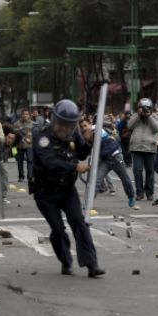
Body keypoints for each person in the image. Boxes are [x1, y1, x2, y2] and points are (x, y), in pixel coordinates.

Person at [31, 99, 105, 278]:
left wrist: (89, 140)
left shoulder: (73, 134)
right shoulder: (43, 138)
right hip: (45, 192)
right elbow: (50, 163)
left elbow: (81, 153)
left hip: (66, 189)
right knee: (58, 228)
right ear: (55, 120)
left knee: (79, 222)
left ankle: (91, 264)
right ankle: (66, 260)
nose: (65, 129)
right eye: (62, 124)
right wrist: (74, 167)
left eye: (69, 125)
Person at [79, 118, 135, 208]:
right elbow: (92, 150)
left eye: (85, 125)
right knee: (96, 180)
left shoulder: (95, 128)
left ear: (90, 124)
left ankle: (131, 196)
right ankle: (88, 203)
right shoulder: (86, 136)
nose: (84, 128)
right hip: (105, 160)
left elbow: (101, 123)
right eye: (82, 127)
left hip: (115, 156)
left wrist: (110, 124)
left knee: (125, 179)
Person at [127, 98, 158, 201]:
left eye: (147, 108)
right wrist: (138, 115)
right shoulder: (135, 116)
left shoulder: (156, 117)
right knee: (137, 170)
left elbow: (156, 128)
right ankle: (139, 193)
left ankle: (149, 193)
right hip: (136, 147)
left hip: (150, 148)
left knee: (150, 172)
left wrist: (149, 116)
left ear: (151, 108)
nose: (145, 110)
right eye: (142, 108)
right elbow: (129, 126)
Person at [14, 109, 34, 182]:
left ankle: (30, 176)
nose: (25, 115)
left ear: (29, 115)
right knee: (20, 161)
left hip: (29, 145)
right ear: (21, 115)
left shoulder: (32, 123)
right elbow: (15, 133)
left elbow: (35, 134)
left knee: (30, 160)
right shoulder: (17, 123)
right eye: (23, 114)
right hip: (19, 145)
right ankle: (21, 176)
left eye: (26, 114)